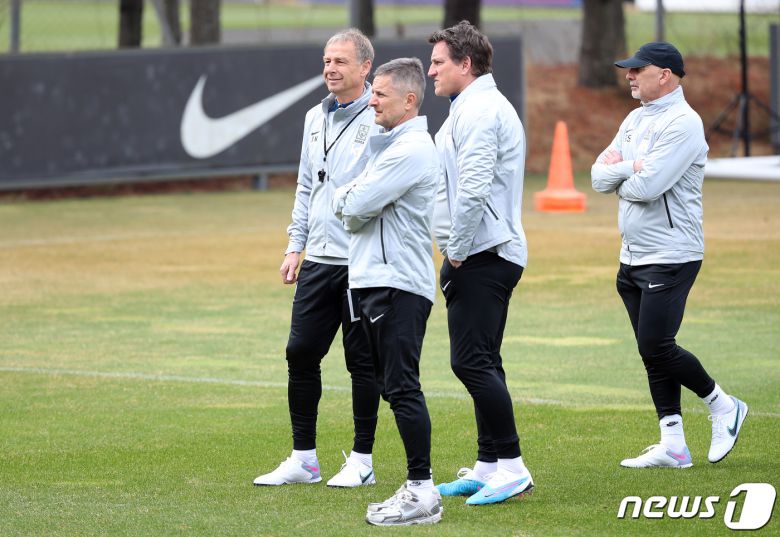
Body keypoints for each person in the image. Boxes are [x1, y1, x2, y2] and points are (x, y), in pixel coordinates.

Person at [591, 42, 748, 469]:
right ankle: (674, 444)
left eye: (637, 69)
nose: (629, 75)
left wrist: (625, 172)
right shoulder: (633, 119)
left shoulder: (685, 123)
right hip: (632, 255)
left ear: (664, 75)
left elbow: (648, 188)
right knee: (652, 352)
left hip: (672, 253)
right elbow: (597, 177)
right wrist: (630, 167)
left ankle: (723, 405)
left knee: (656, 345)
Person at [253, 29, 383, 488]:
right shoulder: (314, 116)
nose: (330, 68)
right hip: (319, 259)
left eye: (341, 61)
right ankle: (304, 459)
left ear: (365, 67)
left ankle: (362, 461)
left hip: (360, 260)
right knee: (300, 351)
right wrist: (295, 245)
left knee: (361, 362)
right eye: (327, 60)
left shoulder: (380, 116)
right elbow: (307, 184)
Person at [427, 21, 534, 505]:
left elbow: (472, 190)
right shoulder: (468, 107)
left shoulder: (482, 110)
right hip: (483, 250)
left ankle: (512, 467)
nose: (431, 71)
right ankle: (489, 464)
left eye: (439, 62)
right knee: (484, 359)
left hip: (483, 254)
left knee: (469, 361)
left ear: (465, 64)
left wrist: (455, 253)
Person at [332, 57, 442, 526]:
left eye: (380, 94)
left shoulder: (412, 148)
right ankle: (417, 487)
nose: (371, 101)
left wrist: (351, 201)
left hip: (398, 283)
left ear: (409, 100)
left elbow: (353, 202)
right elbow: (345, 199)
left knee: (401, 386)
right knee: (389, 386)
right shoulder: (389, 145)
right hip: (375, 280)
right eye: (372, 92)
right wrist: (351, 201)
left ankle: (422, 492)